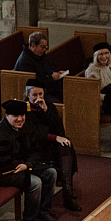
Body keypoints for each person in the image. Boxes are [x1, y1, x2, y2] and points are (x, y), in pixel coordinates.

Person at [0, 99, 58, 221]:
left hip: (22, 167)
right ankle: (29, 220)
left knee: (51, 172)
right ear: (7, 116)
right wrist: (25, 166)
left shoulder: (26, 127)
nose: (20, 119)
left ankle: (43, 211)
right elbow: (2, 163)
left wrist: (27, 165)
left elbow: (37, 151)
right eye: (15, 116)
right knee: (35, 182)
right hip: (0, 173)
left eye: (22, 115)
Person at [23, 81, 81, 212]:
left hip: (51, 144)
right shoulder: (24, 110)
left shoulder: (49, 106)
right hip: (34, 146)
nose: (38, 98)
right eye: (34, 95)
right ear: (27, 95)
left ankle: (67, 193)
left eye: (41, 94)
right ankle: (67, 193)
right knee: (61, 144)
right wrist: (55, 138)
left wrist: (46, 111)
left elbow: (59, 130)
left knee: (65, 146)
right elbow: (33, 132)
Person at [14, 31, 67, 102]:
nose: (44, 50)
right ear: (32, 45)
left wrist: (57, 72)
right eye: (42, 47)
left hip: (49, 88)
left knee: (69, 96)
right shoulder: (25, 62)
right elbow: (34, 83)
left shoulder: (40, 55)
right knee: (58, 104)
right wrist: (51, 78)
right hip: (38, 94)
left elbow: (47, 68)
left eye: (46, 47)